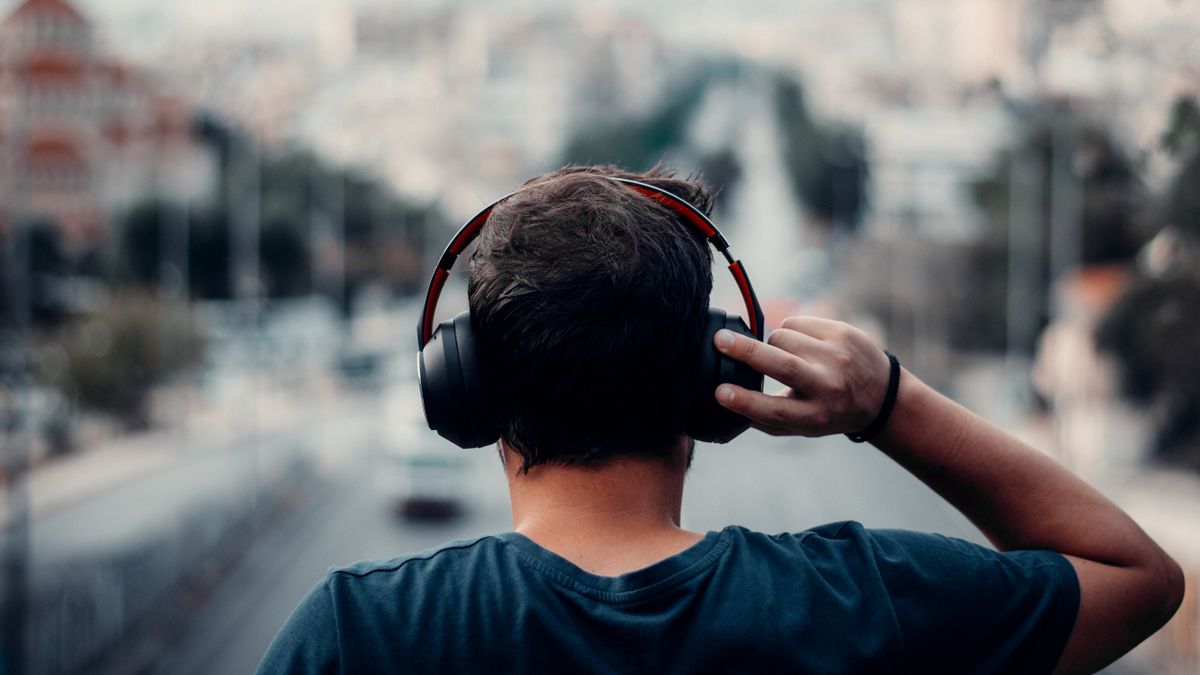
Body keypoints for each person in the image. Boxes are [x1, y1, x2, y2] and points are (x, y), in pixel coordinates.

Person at [257, 166, 1183, 674]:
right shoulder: (866, 604)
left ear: (467, 388)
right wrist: (889, 401)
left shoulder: (358, 633)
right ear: (713, 377)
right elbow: (1137, 576)